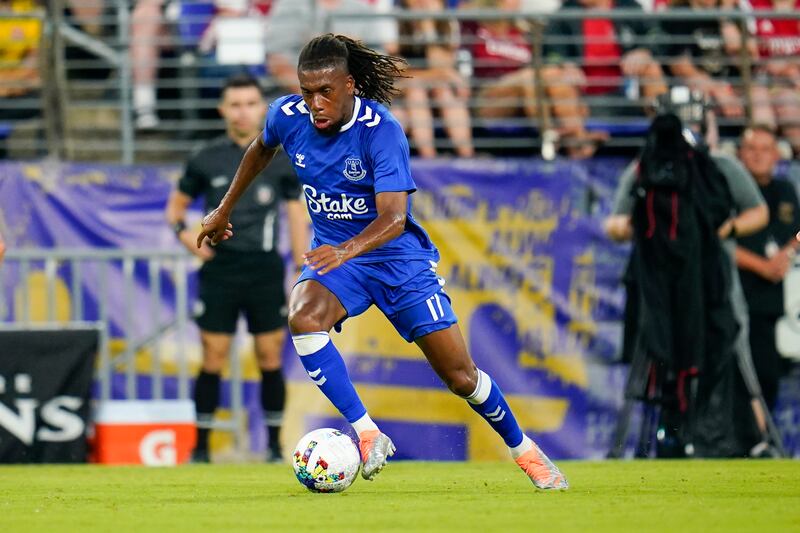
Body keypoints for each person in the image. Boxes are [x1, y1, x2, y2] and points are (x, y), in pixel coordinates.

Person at [197, 34, 568, 489]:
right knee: (303, 317)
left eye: (325, 91)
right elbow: (260, 149)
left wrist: (344, 249)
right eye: (306, 91)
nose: (314, 103)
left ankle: (525, 452)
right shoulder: (287, 116)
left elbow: (394, 218)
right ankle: (368, 433)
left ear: (350, 84)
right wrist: (223, 209)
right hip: (342, 262)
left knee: (460, 376)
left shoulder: (381, 130)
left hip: (396, 262)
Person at [605, 88, 769, 456]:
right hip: (661, 286)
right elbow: (614, 223)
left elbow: (758, 212)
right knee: (661, 358)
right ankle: (672, 435)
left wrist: (728, 229)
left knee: (732, 354)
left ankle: (751, 440)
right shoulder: (645, 169)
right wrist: (643, 224)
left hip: (716, 285)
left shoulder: (721, 167)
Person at [165, 74, 308, 463]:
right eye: (235, 104)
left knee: (269, 355)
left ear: (262, 108)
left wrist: (301, 266)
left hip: (263, 268)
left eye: (250, 103)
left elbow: (296, 212)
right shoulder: (205, 157)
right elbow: (175, 208)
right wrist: (184, 237)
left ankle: (275, 447)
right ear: (222, 109)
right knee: (213, 355)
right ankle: (201, 450)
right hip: (221, 269)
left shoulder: (278, 157)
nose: (242, 112)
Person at [735, 125, 799, 430]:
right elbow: (718, 240)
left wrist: (788, 252)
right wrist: (760, 265)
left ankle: (761, 438)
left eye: (765, 149)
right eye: (752, 149)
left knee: (769, 374)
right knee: (736, 375)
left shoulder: (785, 189)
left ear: (776, 154)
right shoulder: (730, 189)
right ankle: (742, 440)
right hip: (736, 297)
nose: (759, 156)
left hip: (774, 303)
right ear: (740, 154)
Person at [394, 0, 474, 158]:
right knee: (416, 90)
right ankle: (429, 158)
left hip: (437, 90)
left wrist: (428, 27)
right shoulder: (396, 21)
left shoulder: (447, 24)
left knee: (444, 91)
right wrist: (445, 74)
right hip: (401, 91)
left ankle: (468, 157)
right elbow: (396, 71)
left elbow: (441, 64)